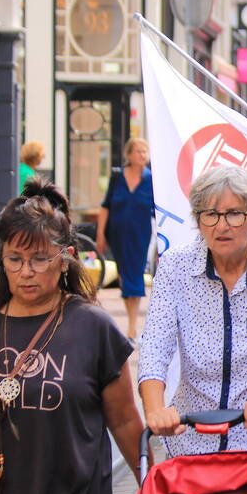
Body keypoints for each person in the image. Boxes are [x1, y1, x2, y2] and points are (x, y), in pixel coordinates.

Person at [0, 182, 144, 494]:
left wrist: (159, 492)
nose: (26, 272)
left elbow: (123, 419)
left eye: (40, 259)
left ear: (64, 258)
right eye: (15, 259)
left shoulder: (91, 326)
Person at [138, 166, 247, 482]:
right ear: (198, 220)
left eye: (234, 214)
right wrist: (155, 410)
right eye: (210, 214)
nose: (222, 226)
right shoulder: (174, 268)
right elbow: (155, 348)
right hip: (193, 441)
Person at [96, 137, 155, 342]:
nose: (142, 155)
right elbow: (105, 207)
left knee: (136, 274)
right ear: (128, 154)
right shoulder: (117, 176)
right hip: (117, 233)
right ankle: (131, 324)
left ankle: (132, 327)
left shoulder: (151, 179)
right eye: (138, 151)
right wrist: (100, 234)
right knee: (124, 274)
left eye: (145, 151)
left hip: (140, 234)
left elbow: (157, 212)